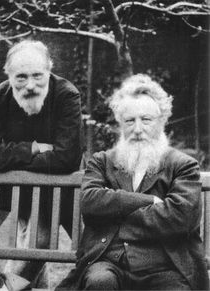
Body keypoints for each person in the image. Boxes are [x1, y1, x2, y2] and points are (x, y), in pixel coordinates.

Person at [56, 74, 209, 290]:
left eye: (146, 120)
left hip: (165, 266)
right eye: (130, 121)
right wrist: (149, 201)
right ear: (120, 124)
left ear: (162, 121)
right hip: (109, 262)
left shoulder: (183, 165)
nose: (137, 129)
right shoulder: (102, 161)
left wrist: (115, 212)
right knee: (99, 281)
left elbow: (181, 218)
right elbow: (90, 203)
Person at [0, 39, 83, 287]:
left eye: (38, 76)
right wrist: (32, 149)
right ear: (8, 75)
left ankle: (3, 288)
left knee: (42, 243)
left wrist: (8, 160)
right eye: (21, 77)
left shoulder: (67, 94)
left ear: (50, 70)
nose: (31, 85)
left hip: (56, 192)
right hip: (12, 191)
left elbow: (67, 158)